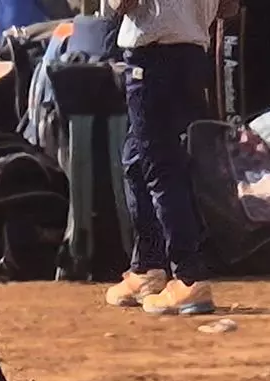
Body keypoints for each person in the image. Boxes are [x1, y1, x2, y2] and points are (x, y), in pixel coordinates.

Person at [105, 0, 236, 316]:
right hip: (192, 57)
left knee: (161, 167)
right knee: (137, 159)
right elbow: (229, 8)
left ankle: (189, 277)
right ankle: (147, 267)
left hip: (152, 59)